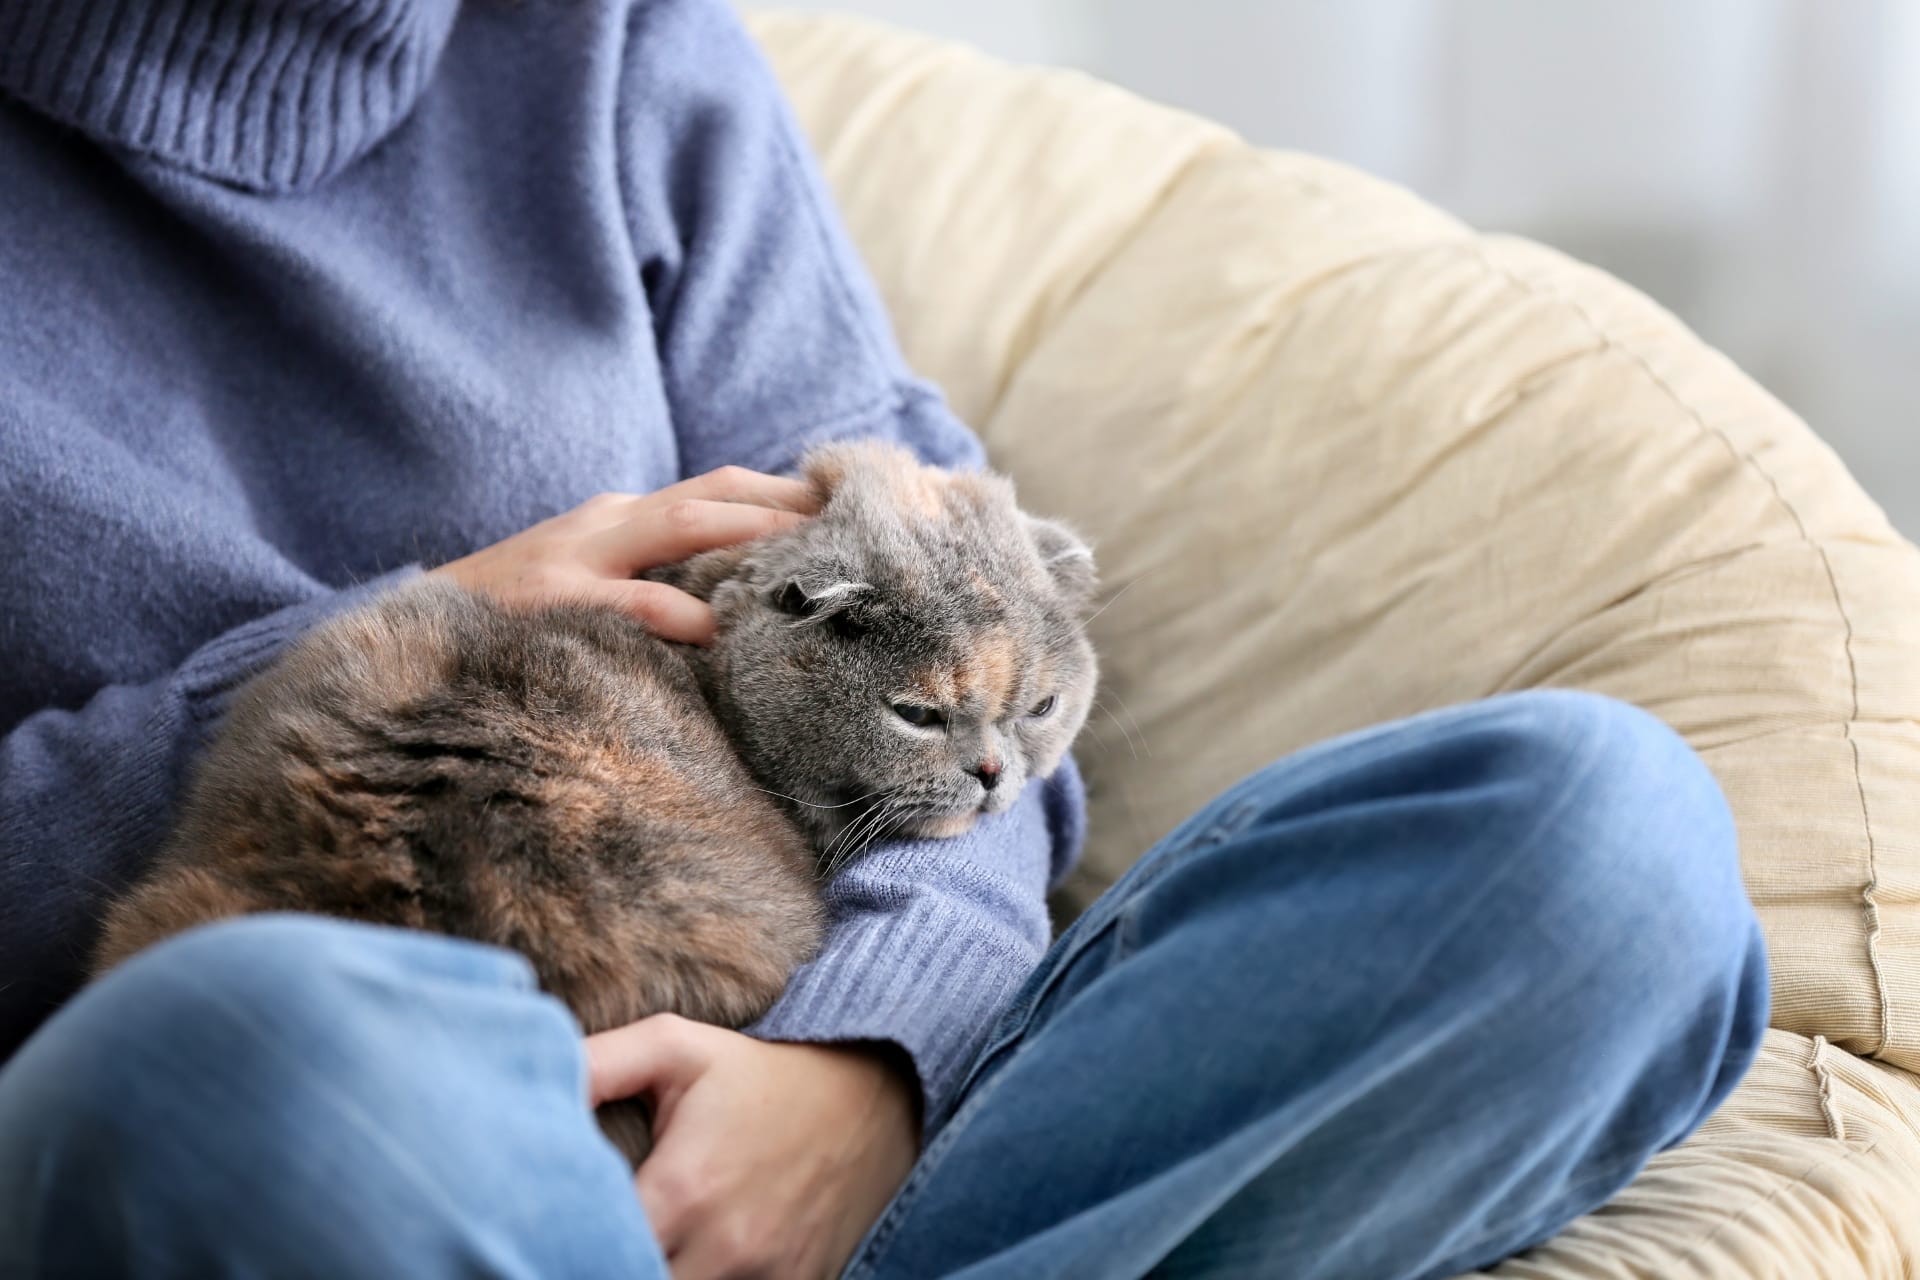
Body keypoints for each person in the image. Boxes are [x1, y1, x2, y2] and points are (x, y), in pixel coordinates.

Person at [0, 0, 1769, 1276]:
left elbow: (956, 592)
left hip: (807, 1075)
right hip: (307, 1107)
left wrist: (864, 1072)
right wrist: (402, 640)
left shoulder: (620, 52)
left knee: (1592, 847)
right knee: (247, 1055)